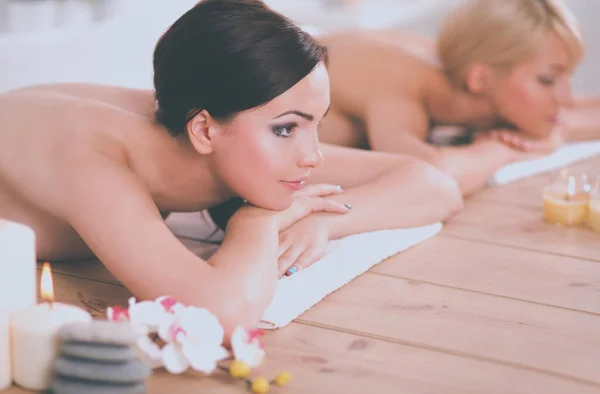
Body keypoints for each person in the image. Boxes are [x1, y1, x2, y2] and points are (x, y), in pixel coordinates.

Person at [0, 0, 462, 337]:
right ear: (203, 130)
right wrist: (257, 220)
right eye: (286, 129)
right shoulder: (92, 156)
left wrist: (322, 219)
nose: (313, 157)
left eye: (315, 126)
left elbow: (432, 183)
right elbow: (219, 315)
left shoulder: (218, 124)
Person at [316, 0, 599, 196]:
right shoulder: (400, 90)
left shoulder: (461, 73)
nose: (567, 99)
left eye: (567, 77)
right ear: (480, 79)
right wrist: (505, 149)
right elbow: (430, 178)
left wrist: (554, 134)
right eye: (547, 80)